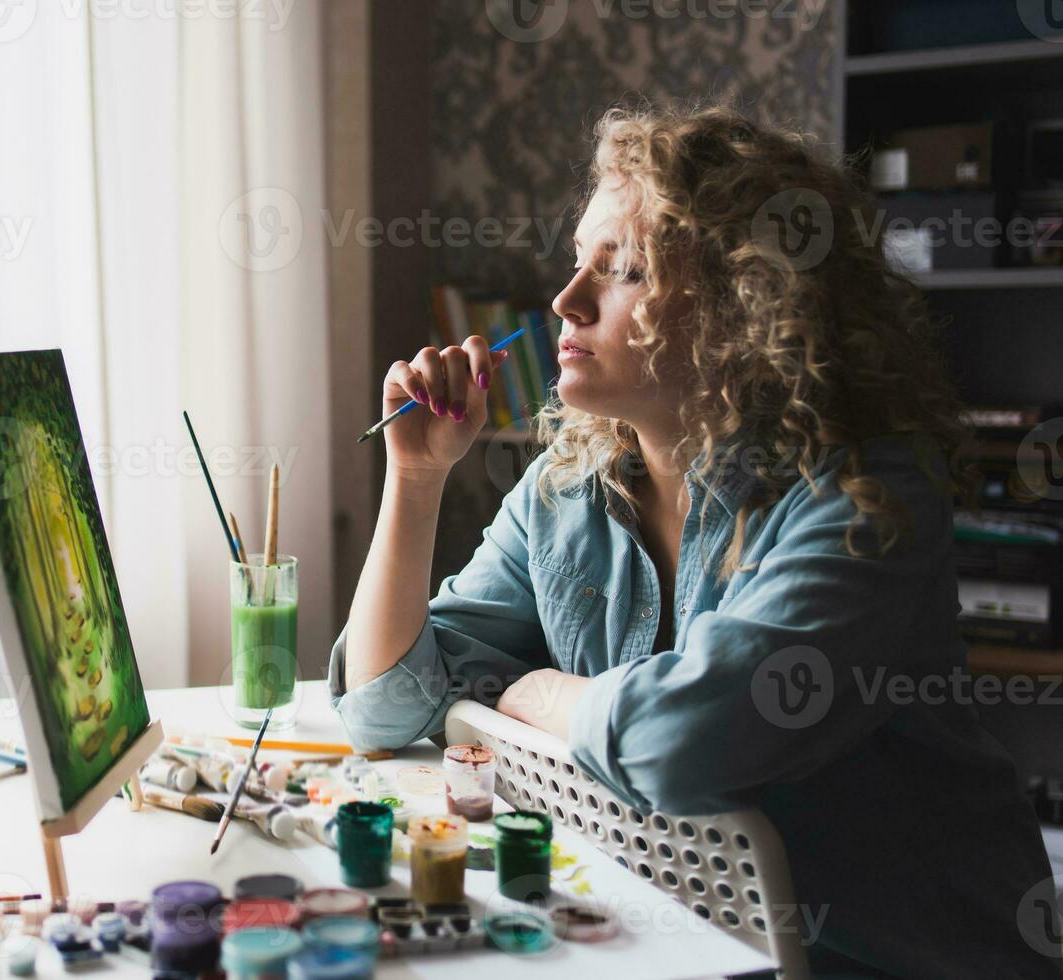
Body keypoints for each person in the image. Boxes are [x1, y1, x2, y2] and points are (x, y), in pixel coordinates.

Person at [329, 105, 1057, 977]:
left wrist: (541, 694)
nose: (565, 301)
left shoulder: (865, 494)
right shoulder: (567, 491)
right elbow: (381, 710)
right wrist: (415, 482)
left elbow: (684, 744)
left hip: (903, 955)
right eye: (576, 265)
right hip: (693, 944)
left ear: (745, 304)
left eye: (624, 268)